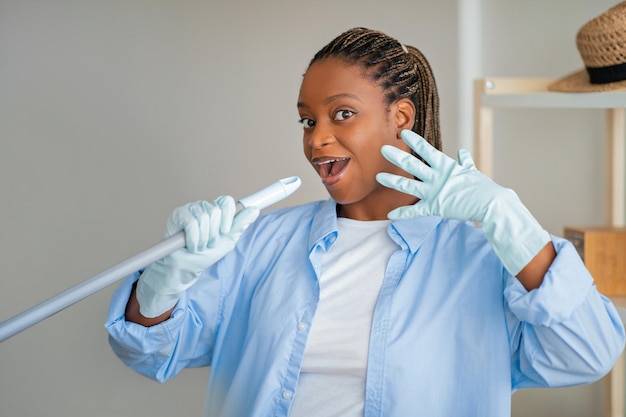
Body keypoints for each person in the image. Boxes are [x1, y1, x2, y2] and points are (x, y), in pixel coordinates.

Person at [106, 27, 625, 417]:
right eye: (308, 120)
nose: (316, 139)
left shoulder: (484, 259)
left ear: (401, 118)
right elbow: (154, 353)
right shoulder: (259, 242)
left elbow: (588, 353)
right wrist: (166, 277)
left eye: (342, 114)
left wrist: (503, 216)